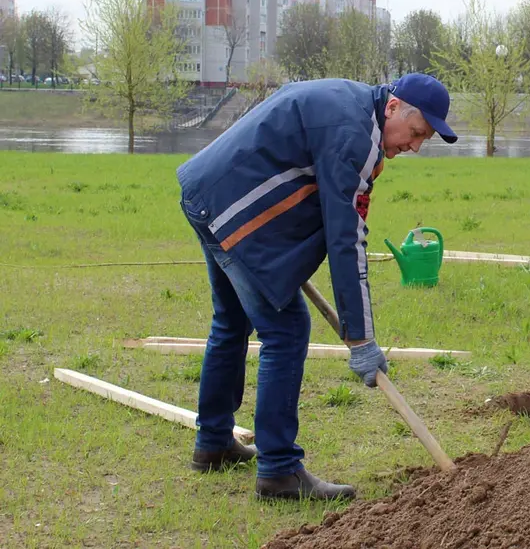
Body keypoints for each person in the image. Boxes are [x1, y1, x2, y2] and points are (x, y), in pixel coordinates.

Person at [176, 73, 458, 501]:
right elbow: (346, 239)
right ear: (394, 108)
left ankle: (213, 442)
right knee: (286, 330)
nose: (415, 146)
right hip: (228, 208)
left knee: (232, 321)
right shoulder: (356, 136)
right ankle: (278, 471)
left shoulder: (351, 103)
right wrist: (361, 338)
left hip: (206, 190)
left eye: (425, 139)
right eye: (417, 133)